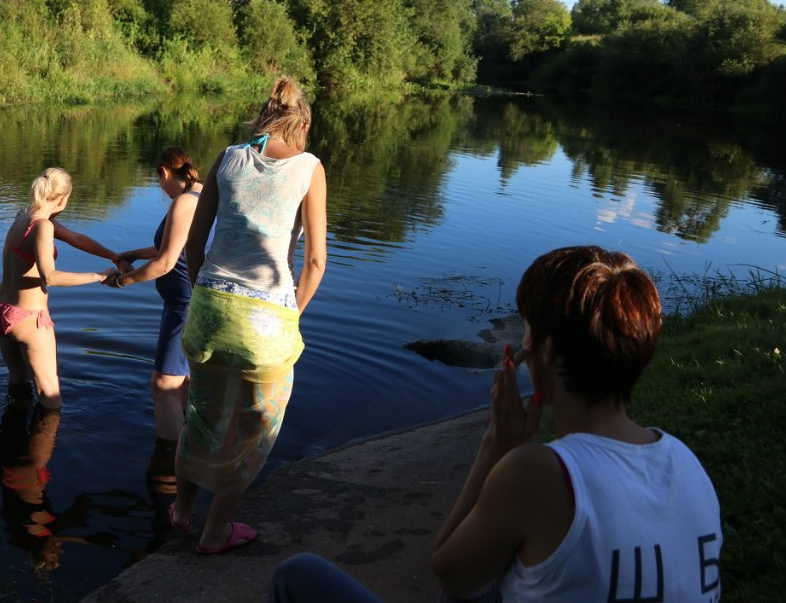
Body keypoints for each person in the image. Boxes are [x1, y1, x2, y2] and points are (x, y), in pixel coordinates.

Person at [270, 245, 723, 602]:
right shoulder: (686, 462)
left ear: (543, 351)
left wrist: (497, 443)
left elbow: (451, 575)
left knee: (298, 575)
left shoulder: (538, 473)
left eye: (526, 329)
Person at [168, 76, 328, 554]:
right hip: (266, 319)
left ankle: (181, 512)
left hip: (208, 308)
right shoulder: (309, 168)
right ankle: (216, 531)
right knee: (253, 429)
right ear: (303, 126)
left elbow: (194, 244)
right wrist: (290, 315)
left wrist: (206, 295)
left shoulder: (228, 157)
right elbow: (315, 262)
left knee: (200, 414)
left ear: (263, 117)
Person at [0, 167, 120, 410]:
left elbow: (77, 238)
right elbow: (49, 276)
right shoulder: (43, 227)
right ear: (63, 199)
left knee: (18, 382)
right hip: (28, 319)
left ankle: (11, 428)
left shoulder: (24, 215)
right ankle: (48, 434)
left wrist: (114, 256)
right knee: (51, 397)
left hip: (0, 310)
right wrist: (98, 276)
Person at [103, 146, 205, 444]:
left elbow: (165, 263)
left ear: (164, 173)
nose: (161, 188)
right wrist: (133, 254)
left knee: (163, 385)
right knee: (185, 384)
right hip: (195, 302)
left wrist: (122, 281)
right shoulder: (202, 193)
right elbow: (173, 247)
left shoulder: (184, 203)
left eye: (159, 180)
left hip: (185, 307)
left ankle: (168, 459)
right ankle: (191, 447)